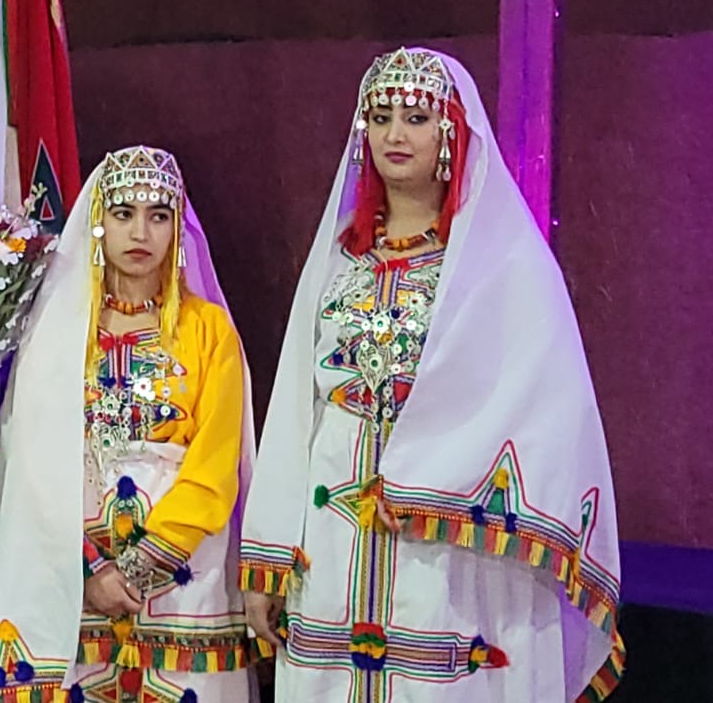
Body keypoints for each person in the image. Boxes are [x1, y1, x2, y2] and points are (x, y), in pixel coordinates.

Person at [239, 48, 624, 701]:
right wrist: (269, 555)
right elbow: (298, 409)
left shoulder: (502, 263)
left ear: (451, 134)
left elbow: (539, 409)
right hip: (333, 533)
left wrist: (430, 479)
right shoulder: (340, 258)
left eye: (416, 118)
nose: (395, 134)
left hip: (450, 545)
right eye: (380, 117)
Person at [0, 145, 260, 703]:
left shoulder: (208, 329)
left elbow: (216, 465)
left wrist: (142, 566)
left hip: (182, 576)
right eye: (123, 214)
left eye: (158, 216)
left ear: (177, 227)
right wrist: (89, 568)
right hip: (72, 572)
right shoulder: (58, 330)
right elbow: (29, 459)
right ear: (98, 223)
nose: (140, 232)